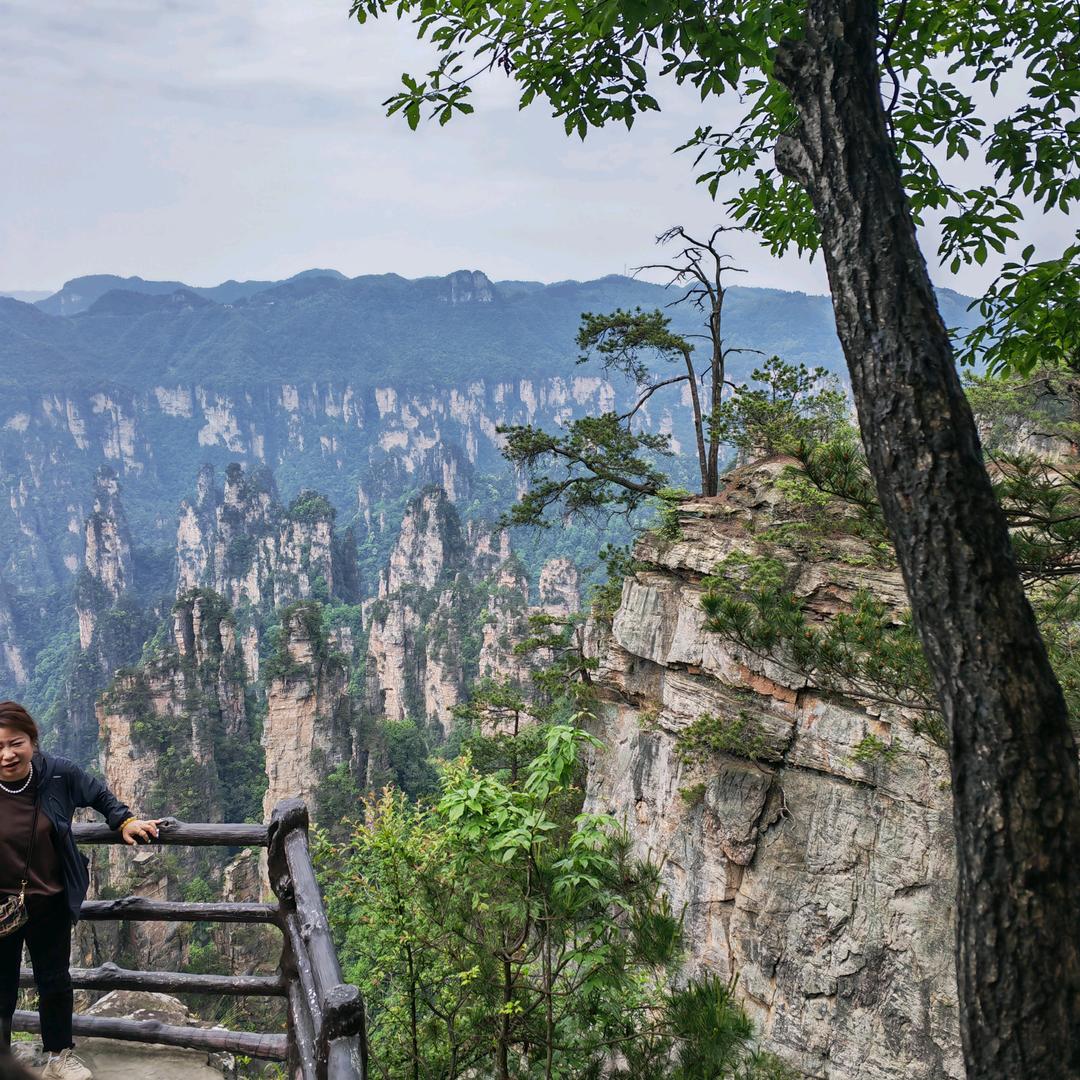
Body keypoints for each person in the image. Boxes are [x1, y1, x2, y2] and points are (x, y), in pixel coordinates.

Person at [0, 702, 160, 1080]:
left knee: (55, 981)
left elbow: (99, 795)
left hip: (50, 900)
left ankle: (59, 1056)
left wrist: (124, 820)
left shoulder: (58, 774)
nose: (7, 754)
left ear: (32, 741)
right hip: (1, 907)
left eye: (15, 743)